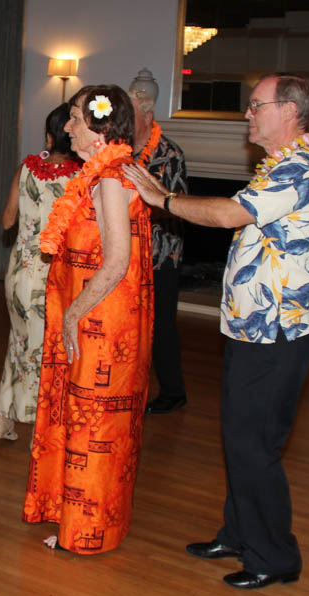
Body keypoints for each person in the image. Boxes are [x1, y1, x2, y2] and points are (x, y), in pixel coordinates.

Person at [123, 73, 309, 589]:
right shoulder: (282, 165)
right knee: (242, 439)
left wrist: (161, 199)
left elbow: (227, 214)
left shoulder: (299, 167)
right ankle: (240, 534)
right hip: (256, 329)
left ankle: (275, 557)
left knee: (254, 443)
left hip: (278, 333)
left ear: (289, 111)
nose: (247, 113)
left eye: (256, 105)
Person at [22, 85, 153, 555]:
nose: (67, 126)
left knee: (94, 422)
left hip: (100, 320)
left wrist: (74, 313)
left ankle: (87, 532)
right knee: (87, 420)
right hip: (95, 315)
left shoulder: (111, 180)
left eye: (76, 117)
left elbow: (117, 261)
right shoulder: (102, 174)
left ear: (98, 126)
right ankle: (80, 518)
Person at [0, 104, 81, 441]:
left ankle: (4, 418)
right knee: (49, 351)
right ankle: (40, 428)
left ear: (48, 136)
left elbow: (6, 221)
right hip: (54, 274)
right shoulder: (78, 178)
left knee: (18, 343)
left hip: (19, 270)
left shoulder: (25, 169)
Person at [128, 84, 189, 414]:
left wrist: (137, 203)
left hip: (160, 253)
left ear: (148, 116)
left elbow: (173, 206)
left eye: (131, 115)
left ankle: (173, 392)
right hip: (126, 252)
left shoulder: (169, 153)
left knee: (161, 326)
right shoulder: (120, 151)